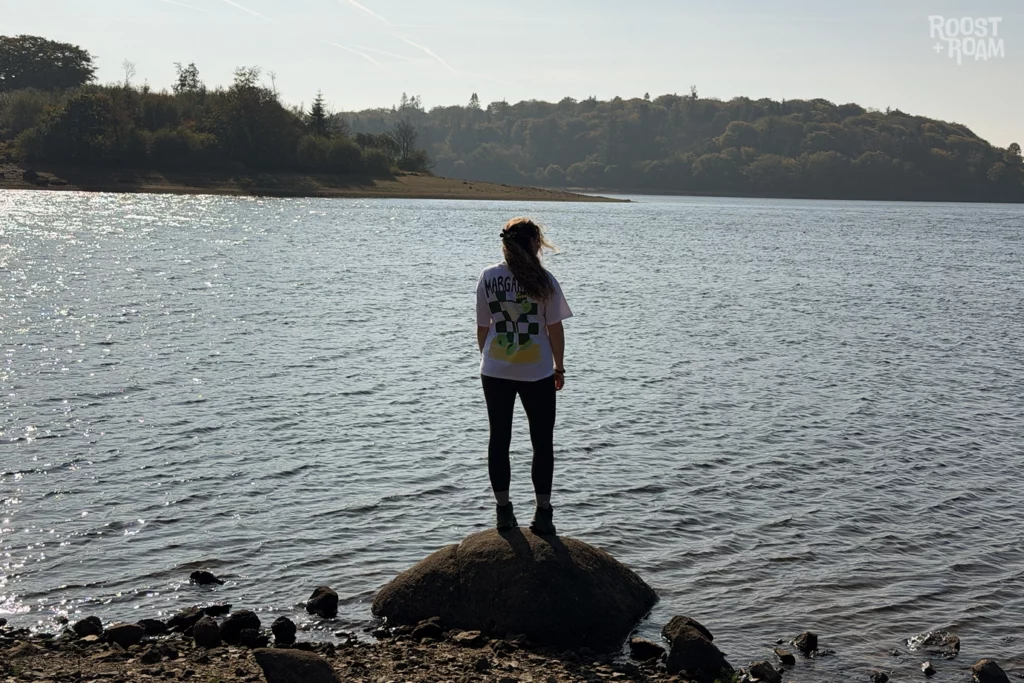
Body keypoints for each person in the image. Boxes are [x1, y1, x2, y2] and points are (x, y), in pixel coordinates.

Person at [475, 217, 573, 535]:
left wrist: (490, 361)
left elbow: (483, 327)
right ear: (534, 244)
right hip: (538, 371)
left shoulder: (488, 277)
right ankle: (543, 513)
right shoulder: (545, 280)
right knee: (542, 443)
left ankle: (503, 512)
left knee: (498, 440)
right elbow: (554, 329)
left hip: (495, 370)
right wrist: (559, 366)